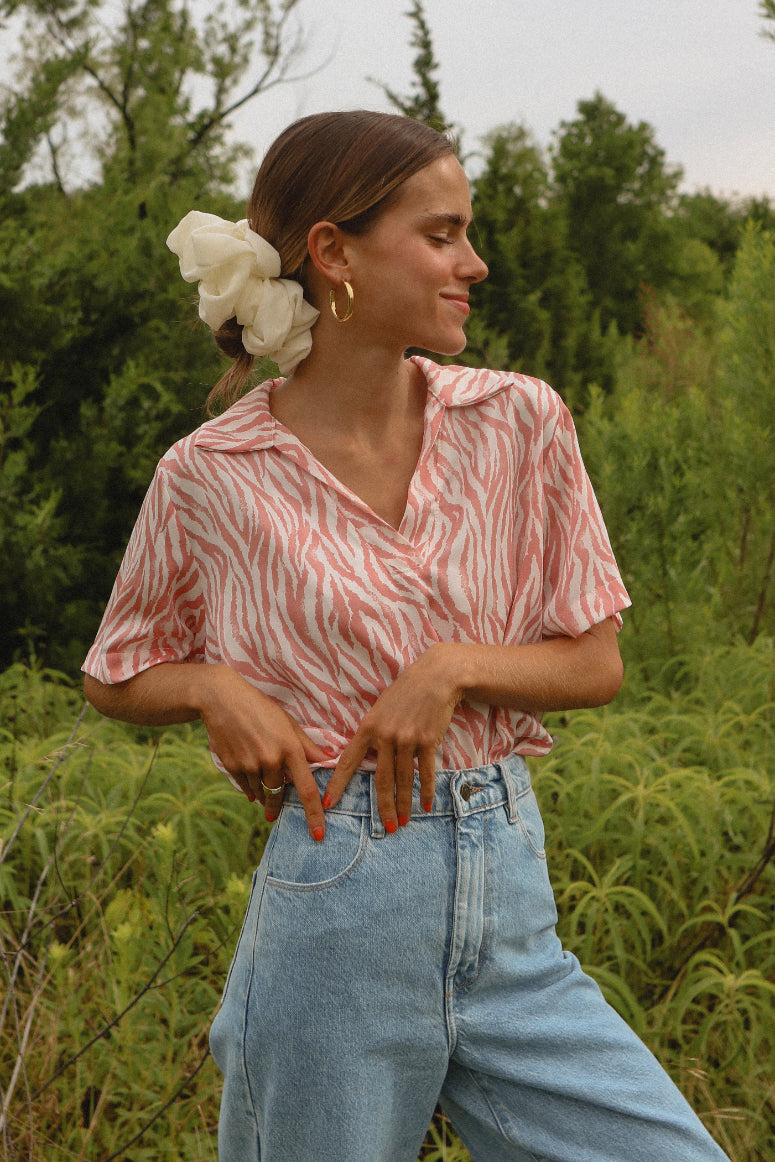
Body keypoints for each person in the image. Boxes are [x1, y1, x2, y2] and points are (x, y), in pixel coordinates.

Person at [83, 110, 730, 1162]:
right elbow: (117, 672)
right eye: (441, 234)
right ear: (333, 252)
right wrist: (211, 687)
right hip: (337, 908)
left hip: (510, 907)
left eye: (465, 232)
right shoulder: (209, 474)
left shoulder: (519, 421)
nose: (472, 262)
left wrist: (455, 668)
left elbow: (594, 660)